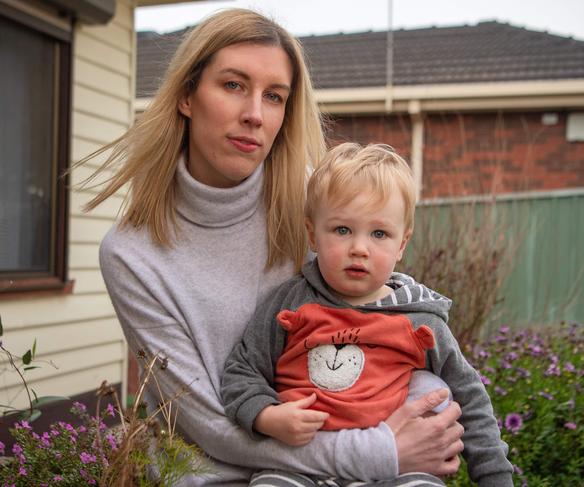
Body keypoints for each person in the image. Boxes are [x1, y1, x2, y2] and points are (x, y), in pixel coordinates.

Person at [83, 8, 464, 486]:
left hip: (343, 455)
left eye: (275, 96)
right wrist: (382, 451)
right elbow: (211, 427)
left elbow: (376, 317)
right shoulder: (132, 254)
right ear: (186, 95)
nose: (254, 115)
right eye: (233, 85)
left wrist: (425, 413)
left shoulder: (314, 205)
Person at [222, 143, 513, 487]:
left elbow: (471, 398)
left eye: (379, 234)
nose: (359, 248)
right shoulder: (290, 304)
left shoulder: (419, 320)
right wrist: (267, 416)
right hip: (299, 469)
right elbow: (241, 370)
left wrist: (495, 476)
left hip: (396, 470)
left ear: (402, 244)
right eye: (342, 230)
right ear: (312, 233)